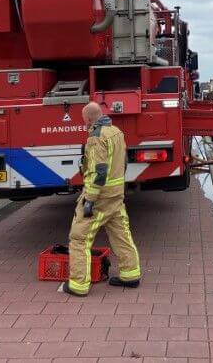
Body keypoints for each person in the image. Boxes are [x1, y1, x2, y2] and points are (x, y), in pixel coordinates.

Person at [66, 102, 141, 296]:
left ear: (89, 119)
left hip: (100, 196)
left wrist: (89, 199)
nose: (84, 124)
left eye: (84, 120)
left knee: (79, 238)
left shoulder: (96, 137)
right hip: (116, 193)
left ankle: (78, 285)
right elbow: (123, 163)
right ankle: (130, 275)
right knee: (121, 234)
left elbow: (98, 172)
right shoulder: (116, 131)